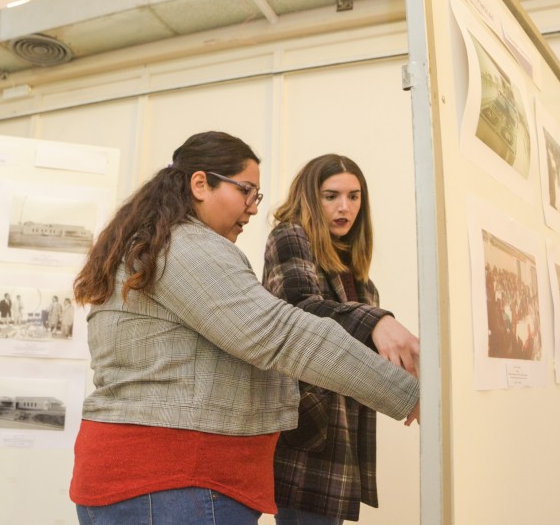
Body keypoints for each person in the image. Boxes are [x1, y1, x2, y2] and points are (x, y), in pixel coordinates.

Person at [69, 132, 419, 525]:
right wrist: (408, 392)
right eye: (246, 191)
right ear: (200, 184)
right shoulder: (184, 247)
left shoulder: (156, 244)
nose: (253, 208)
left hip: (156, 481)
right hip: (176, 481)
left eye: (257, 196)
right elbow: (281, 334)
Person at [263, 154, 420, 524]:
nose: (344, 207)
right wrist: (378, 321)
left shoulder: (354, 270)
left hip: (343, 431)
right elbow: (299, 307)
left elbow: (358, 354)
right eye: (331, 196)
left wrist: (407, 382)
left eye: (354, 196)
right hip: (305, 432)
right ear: (309, 197)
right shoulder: (289, 235)